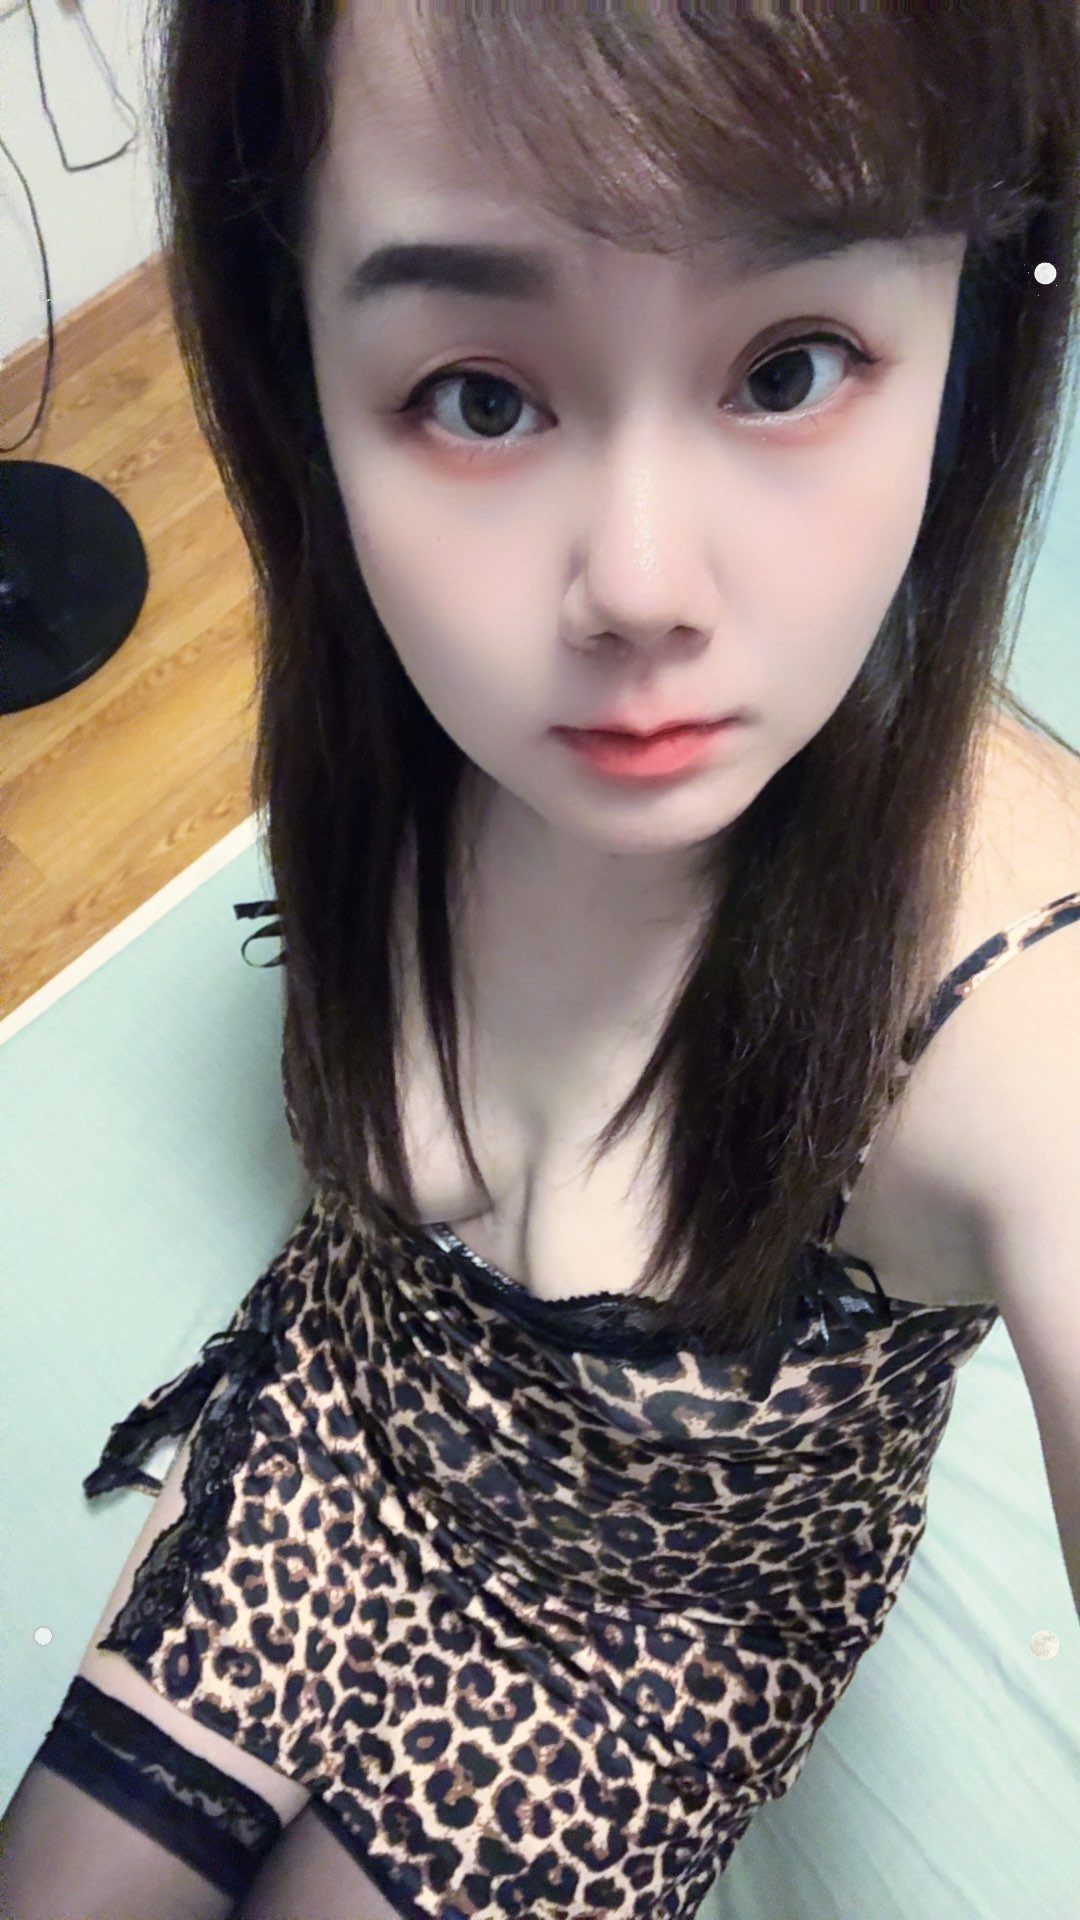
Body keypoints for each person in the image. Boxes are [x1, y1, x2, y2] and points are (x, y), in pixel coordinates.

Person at [3, 4, 1080, 1917]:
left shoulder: (1011, 1005)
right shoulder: (397, 692)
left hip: (642, 1653)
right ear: (301, 362)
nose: (640, 585)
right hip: (341, 1420)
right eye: (482, 399)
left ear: (975, 323)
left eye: (789, 366)